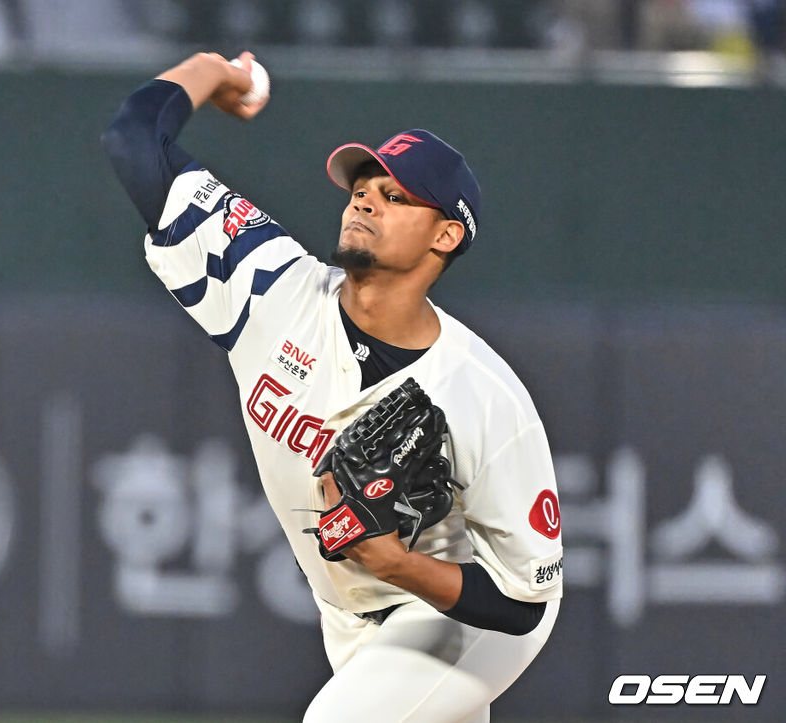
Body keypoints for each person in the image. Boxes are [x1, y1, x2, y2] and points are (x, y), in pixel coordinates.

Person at [104, 51, 563, 723]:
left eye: (395, 194)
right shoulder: (271, 287)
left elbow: (525, 601)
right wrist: (216, 71)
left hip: (460, 621)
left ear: (447, 233)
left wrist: (401, 565)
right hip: (347, 618)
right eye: (362, 185)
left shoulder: (486, 395)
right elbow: (134, 139)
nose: (366, 196)